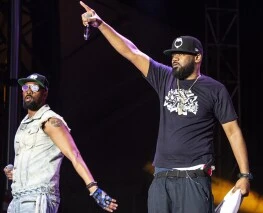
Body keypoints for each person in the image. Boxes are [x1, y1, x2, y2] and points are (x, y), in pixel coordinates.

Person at [80, 1, 252, 213]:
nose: (174, 58)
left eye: (181, 54)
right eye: (173, 54)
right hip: (161, 178)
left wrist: (244, 175)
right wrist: (101, 24)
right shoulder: (165, 77)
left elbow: (233, 132)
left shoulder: (214, 89)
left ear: (197, 57)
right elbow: (132, 52)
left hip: (193, 179)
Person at [3, 73, 118, 212]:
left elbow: (74, 154)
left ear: (44, 93)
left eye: (34, 87)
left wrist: (94, 189)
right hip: (17, 200)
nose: (28, 90)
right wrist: (16, 172)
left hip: (37, 199)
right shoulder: (24, 125)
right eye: (26, 87)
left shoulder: (50, 120)